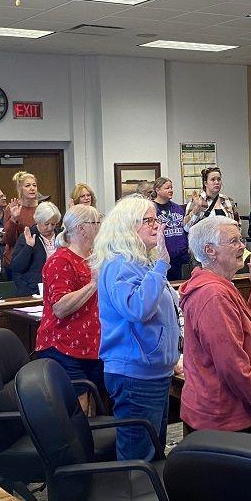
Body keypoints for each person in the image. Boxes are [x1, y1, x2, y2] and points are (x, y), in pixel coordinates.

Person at [179, 217, 251, 433]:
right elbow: (232, 366)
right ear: (210, 250)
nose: (243, 246)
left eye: (241, 239)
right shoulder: (213, 295)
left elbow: (248, 335)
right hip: (222, 420)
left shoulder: (221, 286)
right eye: (233, 241)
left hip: (228, 411)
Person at [93, 196, 180, 462]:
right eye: (148, 221)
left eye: (157, 219)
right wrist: (162, 265)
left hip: (153, 370)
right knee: (138, 457)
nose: (157, 226)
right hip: (135, 373)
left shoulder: (141, 262)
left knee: (154, 450)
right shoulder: (120, 263)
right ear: (127, 227)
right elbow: (137, 309)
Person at [36, 204, 105, 401]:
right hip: (64, 346)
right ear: (82, 228)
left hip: (92, 345)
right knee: (78, 409)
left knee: (94, 405)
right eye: (96, 222)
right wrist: (93, 284)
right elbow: (60, 307)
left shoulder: (94, 258)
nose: (101, 227)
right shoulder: (60, 260)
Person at [10, 201, 60, 297]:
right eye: (46, 224)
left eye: (53, 224)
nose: (50, 228)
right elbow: (16, 267)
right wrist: (28, 247)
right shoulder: (27, 236)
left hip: (58, 286)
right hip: (33, 290)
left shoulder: (60, 236)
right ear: (38, 221)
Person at [150, 177, 189, 280]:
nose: (171, 190)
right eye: (167, 188)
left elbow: (184, 226)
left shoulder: (177, 208)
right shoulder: (151, 208)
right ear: (157, 190)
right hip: (161, 258)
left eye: (171, 187)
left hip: (180, 257)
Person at [2, 171, 40, 268]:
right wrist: (13, 219)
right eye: (27, 186)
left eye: (34, 185)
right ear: (20, 189)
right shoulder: (12, 208)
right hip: (16, 259)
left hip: (37, 259)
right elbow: (8, 240)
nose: (32, 188)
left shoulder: (42, 208)